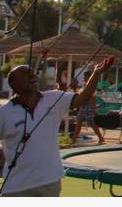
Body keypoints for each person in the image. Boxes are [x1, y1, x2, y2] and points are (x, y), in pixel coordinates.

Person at [0, 56, 114, 196]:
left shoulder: (54, 98)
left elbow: (83, 97)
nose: (32, 75)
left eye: (32, 72)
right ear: (13, 83)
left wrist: (96, 73)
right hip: (15, 185)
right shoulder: (4, 112)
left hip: (49, 181)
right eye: (25, 74)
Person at [71, 71, 105, 145]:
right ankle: (73, 140)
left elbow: (93, 98)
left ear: (89, 77)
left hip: (89, 107)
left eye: (85, 76)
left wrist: (94, 109)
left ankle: (101, 138)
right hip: (83, 106)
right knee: (78, 123)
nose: (84, 78)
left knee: (92, 124)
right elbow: (80, 95)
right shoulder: (84, 85)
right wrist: (75, 88)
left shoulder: (91, 86)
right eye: (84, 76)